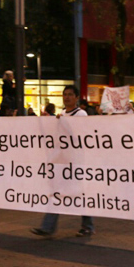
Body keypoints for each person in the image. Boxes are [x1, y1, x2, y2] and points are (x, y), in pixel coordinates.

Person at [31, 85, 95, 238]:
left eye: (70, 94)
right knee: (57, 192)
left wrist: (61, 122)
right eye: (65, 94)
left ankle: (87, 226)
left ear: (77, 97)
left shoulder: (81, 114)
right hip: (62, 160)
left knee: (79, 193)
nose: (67, 97)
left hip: (76, 161)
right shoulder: (62, 114)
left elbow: (79, 135)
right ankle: (48, 227)